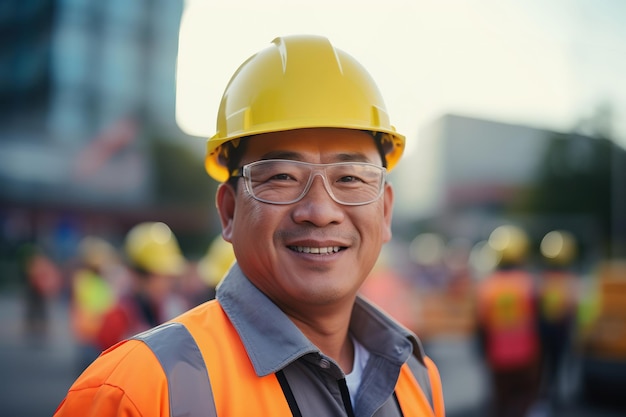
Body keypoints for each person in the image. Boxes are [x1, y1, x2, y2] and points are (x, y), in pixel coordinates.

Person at [54, 34, 445, 417]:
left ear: (386, 212)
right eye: (281, 176)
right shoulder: (138, 391)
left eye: (350, 178)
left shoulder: (418, 379)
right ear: (228, 211)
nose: (320, 210)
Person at [475, 225, 541, 417]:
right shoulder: (529, 283)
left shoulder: (487, 286)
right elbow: (538, 323)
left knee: (500, 404)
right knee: (523, 403)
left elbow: (481, 327)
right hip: (526, 356)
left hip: (498, 357)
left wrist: (483, 354)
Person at [95, 221, 188, 351]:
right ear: (138, 275)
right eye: (160, 275)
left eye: (169, 275)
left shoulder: (172, 312)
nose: (167, 283)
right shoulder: (117, 320)